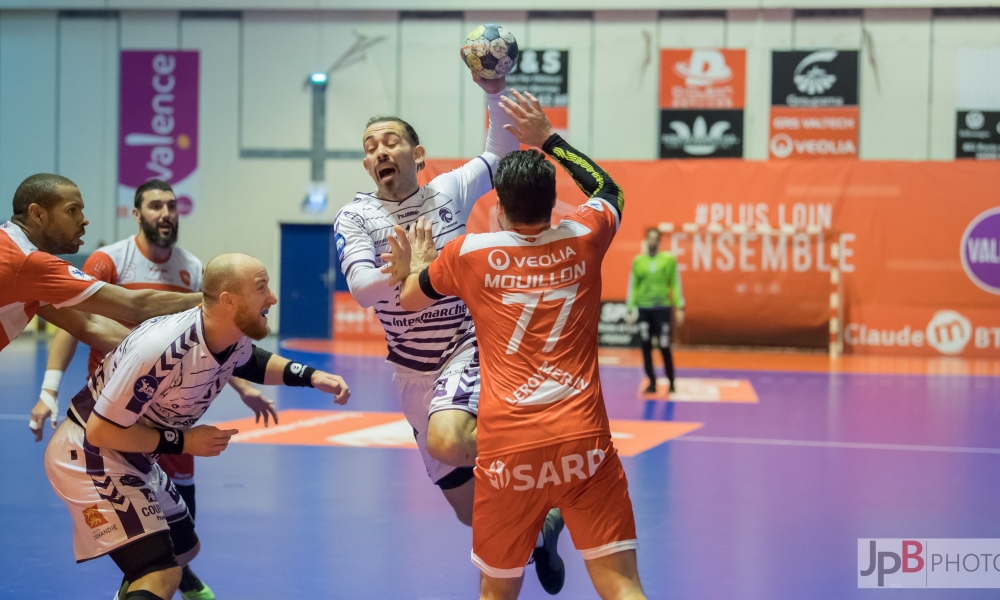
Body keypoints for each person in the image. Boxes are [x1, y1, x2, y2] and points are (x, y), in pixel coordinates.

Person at [383, 91, 645, 600]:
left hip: (508, 451)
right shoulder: (586, 235)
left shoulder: (471, 253)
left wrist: (416, 263)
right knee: (621, 584)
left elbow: (412, 297)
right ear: (552, 203)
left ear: (498, 208)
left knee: (497, 592)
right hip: (585, 440)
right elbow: (608, 189)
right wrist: (548, 138)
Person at [334, 64, 565, 590]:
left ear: (417, 155)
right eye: (370, 146)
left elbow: (500, 148)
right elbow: (362, 290)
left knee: (449, 439)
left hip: (464, 347)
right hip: (410, 372)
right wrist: (408, 275)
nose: (378, 152)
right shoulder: (355, 217)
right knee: (469, 511)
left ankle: (548, 453)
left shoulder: (448, 191)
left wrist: (494, 90)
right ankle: (540, 531)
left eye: (390, 141)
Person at [44, 253, 350, 600]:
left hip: (134, 455)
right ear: (228, 300)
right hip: (89, 454)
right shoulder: (160, 350)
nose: (273, 298)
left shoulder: (226, 332)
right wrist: (185, 441)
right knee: (161, 573)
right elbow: (100, 431)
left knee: (184, 549)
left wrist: (312, 376)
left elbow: (250, 360)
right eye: (262, 288)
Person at [31, 180, 274, 600]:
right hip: (120, 412)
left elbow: (212, 338)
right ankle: (155, 579)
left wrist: (241, 386)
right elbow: (79, 324)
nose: (166, 213)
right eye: (155, 205)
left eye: (172, 206)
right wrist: (49, 388)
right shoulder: (110, 260)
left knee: (181, 527)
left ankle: (167, 576)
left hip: (175, 408)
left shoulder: (194, 267)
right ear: (138, 214)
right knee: (150, 547)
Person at [1, 173, 201, 355]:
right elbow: (136, 305)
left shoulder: (16, 253)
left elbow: (88, 323)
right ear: (37, 214)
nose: (84, 220)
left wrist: (168, 357)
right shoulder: (28, 261)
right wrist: (212, 298)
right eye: (72, 210)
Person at [626, 228, 685, 394]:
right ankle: (651, 381)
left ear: (659, 241)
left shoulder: (668, 260)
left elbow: (675, 282)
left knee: (664, 345)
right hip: (644, 309)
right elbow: (633, 286)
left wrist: (679, 305)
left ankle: (671, 380)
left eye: (655, 239)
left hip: (662, 308)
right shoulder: (638, 261)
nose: (652, 242)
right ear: (646, 241)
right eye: (649, 239)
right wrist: (630, 309)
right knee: (645, 345)